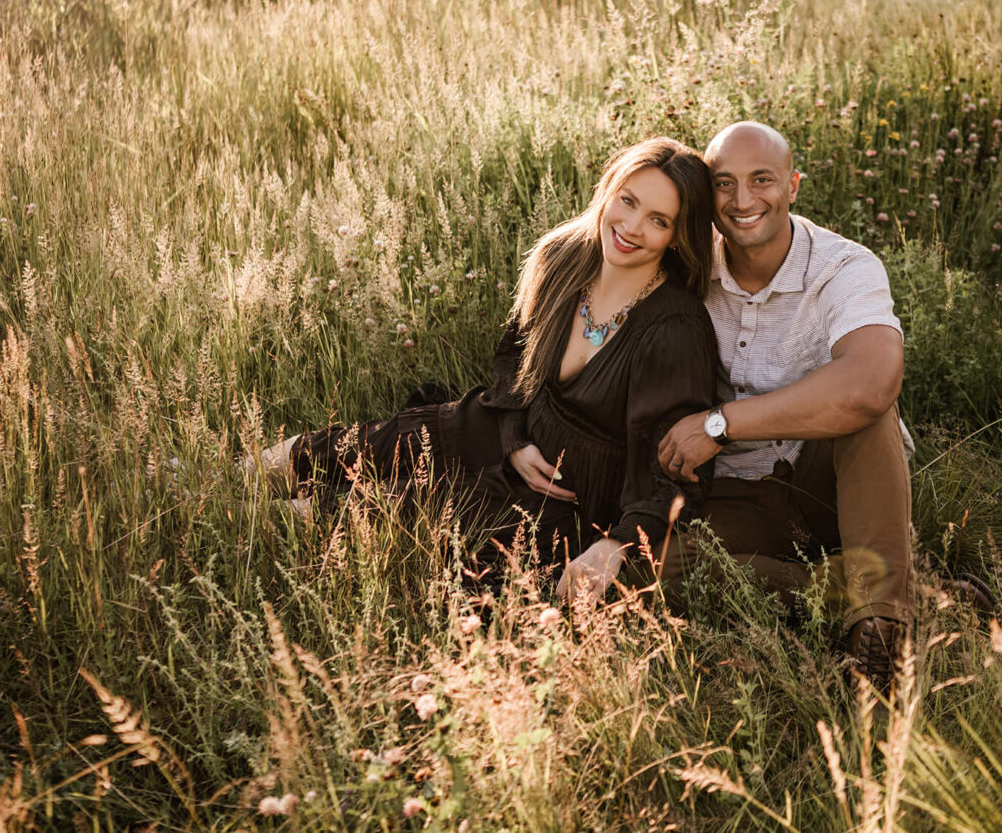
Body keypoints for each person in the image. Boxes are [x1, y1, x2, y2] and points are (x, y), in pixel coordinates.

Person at [259, 137, 726, 601]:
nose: (631, 226)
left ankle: (245, 521)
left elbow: (679, 471)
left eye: (658, 220)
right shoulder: (563, 257)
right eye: (627, 201)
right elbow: (513, 357)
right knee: (352, 447)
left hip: (562, 498)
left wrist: (615, 544)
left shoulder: (675, 328)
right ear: (609, 190)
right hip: (504, 426)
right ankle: (221, 477)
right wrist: (514, 439)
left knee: (372, 512)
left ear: (677, 236)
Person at [656, 121, 915, 692]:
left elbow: (872, 382)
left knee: (869, 410)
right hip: (739, 492)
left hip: (837, 484)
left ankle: (878, 630)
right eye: (724, 183)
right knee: (652, 571)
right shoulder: (690, 271)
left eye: (762, 180)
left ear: (792, 186)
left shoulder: (843, 266)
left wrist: (719, 425)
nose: (742, 200)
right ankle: (868, 588)